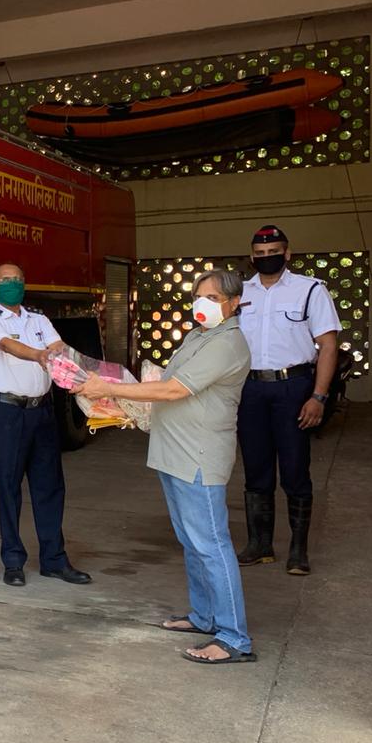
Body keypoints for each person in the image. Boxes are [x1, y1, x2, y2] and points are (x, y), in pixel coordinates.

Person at [77, 269, 254, 665]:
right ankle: (204, 616)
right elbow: (166, 382)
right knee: (191, 541)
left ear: (234, 303)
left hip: (198, 456)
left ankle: (233, 638)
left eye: (212, 297)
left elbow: (174, 389)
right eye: (199, 296)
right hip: (173, 452)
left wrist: (109, 388)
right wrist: (126, 401)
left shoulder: (227, 344)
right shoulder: (198, 337)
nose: (202, 304)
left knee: (211, 545)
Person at [234, 226, 340, 576]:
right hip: (251, 389)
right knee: (256, 469)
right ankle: (260, 545)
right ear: (252, 257)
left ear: (287, 253)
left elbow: (328, 346)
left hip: (293, 388)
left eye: (274, 252)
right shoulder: (240, 293)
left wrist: (318, 396)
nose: (267, 258)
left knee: (295, 470)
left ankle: (298, 550)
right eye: (260, 254)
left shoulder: (310, 290)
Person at [0, 262, 91, 588]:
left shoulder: (39, 319)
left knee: (50, 486)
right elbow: (8, 346)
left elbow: (58, 346)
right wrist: (40, 355)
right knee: (9, 487)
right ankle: (13, 561)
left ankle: (54, 560)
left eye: (18, 279)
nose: (12, 284)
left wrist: (58, 355)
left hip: (42, 412)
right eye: (5, 280)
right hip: (8, 413)